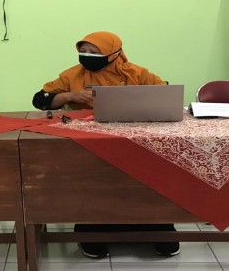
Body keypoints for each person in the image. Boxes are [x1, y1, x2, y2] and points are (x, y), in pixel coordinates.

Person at [31, 31, 180, 259]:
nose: (87, 56)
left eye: (94, 52)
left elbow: (165, 94)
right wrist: (71, 96)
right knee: (93, 180)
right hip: (88, 141)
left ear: (114, 54)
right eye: (83, 51)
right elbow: (40, 100)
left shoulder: (137, 73)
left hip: (134, 139)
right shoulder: (72, 75)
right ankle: (91, 231)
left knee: (151, 176)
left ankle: (159, 228)